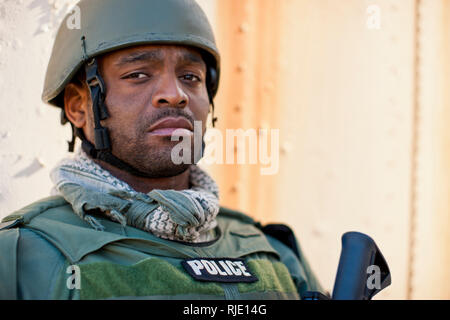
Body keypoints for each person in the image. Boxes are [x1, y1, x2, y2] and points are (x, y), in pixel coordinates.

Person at [0, 0, 323, 300]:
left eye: (190, 77)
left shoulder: (268, 250)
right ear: (78, 107)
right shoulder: (23, 254)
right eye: (137, 75)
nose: (175, 94)